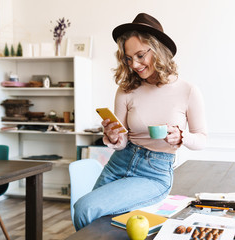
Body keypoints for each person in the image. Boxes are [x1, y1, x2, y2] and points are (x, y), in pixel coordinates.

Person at [73, 13, 207, 231]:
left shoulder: (188, 91)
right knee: (97, 224)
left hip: (154, 173)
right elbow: (123, 141)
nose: (134, 64)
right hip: (119, 163)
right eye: (128, 58)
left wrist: (182, 137)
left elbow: (202, 139)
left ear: (158, 50)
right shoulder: (126, 90)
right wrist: (114, 136)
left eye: (140, 55)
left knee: (85, 209)